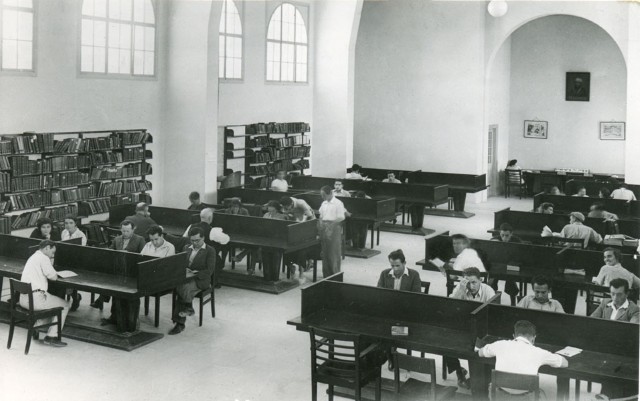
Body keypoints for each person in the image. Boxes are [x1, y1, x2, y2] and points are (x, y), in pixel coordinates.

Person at [477, 320, 568, 397]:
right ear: (533, 338)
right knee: (542, 393)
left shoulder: (500, 344)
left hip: (499, 396)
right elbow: (564, 363)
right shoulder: (540, 352)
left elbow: (481, 353)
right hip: (526, 398)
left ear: (514, 335)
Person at [446, 267, 496, 388]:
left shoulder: (488, 291)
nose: (471, 286)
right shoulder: (461, 287)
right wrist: (461, 291)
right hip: (464, 326)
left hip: (483, 329)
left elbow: (493, 315)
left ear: (481, 280)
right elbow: (450, 306)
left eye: (474, 282)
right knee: (446, 343)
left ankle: (481, 379)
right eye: (468, 282)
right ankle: (459, 371)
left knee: (479, 350)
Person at [19, 240, 69, 347]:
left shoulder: (34, 256)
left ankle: (36, 328)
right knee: (65, 305)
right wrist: (51, 264)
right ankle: (51, 337)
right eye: (52, 252)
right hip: (35, 300)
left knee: (52, 304)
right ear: (46, 248)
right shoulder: (44, 258)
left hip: (23, 299)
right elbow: (53, 277)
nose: (53, 255)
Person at [169, 227, 216, 335]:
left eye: (197, 240)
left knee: (182, 288)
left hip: (201, 280)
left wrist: (194, 273)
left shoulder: (210, 250)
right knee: (181, 286)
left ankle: (179, 323)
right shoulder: (186, 247)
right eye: (192, 240)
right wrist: (183, 269)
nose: (195, 243)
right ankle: (188, 307)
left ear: (203, 238)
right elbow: (180, 263)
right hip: (187, 278)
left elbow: (209, 271)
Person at [91, 220, 145, 310]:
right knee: (110, 278)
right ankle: (106, 301)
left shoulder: (140, 239)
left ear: (133, 230)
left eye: (128, 231)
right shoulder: (117, 239)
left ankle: (102, 299)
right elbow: (110, 252)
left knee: (114, 280)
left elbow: (143, 255)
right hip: (119, 267)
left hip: (132, 270)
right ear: (120, 230)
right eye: (123, 231)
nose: (125, 233)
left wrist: (129, 254)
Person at [281, 196, 315, 278]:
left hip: (308, 219)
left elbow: (310, 217)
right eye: (284, 207)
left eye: (287, 207)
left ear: (291, 204)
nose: (286, 208)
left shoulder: (301, 203)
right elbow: (285, 214)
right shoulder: (285, 204)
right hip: (296, 220)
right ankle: (291, 265)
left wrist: (301, 226)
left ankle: (310, 261)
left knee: (304, 244)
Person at [318, 185, 346, 278]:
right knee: (325, 253)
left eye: (324, 195)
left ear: (330, 193)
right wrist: (321, 224)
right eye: (321, 195)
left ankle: (335, 274)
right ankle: (326, 275)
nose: (322, 197)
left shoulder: (338, 203)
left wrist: (330, 225)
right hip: (324, 228)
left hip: (334, 228)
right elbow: (321, 215)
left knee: (334, 253)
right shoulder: (324, 203)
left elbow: (341, 217)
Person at [60, 215, 85, 311]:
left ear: (75, 224)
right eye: (66, 223)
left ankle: (75, 296)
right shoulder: (64, 232)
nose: (68, 225)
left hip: (77, 261)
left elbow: (81, 252)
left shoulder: (81, 235)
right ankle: (61, 298)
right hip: (65, 259)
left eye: (71, 223)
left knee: (69, 275)